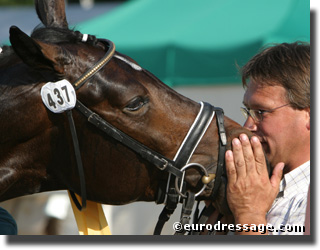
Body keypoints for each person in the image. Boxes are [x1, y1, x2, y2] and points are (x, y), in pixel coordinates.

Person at [223, 41, 310, 235]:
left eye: (261, 112)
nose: (248, 126)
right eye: (248, 112)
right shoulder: (247, 188)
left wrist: (249, 214)